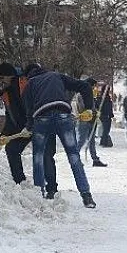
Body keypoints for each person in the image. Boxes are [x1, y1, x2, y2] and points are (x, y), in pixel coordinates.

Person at [22, 63, 96, 208]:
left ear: (28, 75)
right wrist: (89, 108)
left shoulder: (30, 84)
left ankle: (39, 195)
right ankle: (87, 196)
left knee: (39, 157)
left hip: (41, 118)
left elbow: (28, 109)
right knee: (74, 156)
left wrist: (29, 126)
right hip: (63, 116)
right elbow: (85, 86)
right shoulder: (56, 76)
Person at [0, 62, 59, 199]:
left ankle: (52, 188)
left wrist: (34, 123)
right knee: (11, 149)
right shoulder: (6, 92)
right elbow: (11, 115)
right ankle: (20, 182)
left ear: (9, 75)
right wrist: (5, 133)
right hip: (23, 128)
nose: (0, 82)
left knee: (46, 155)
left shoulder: (25, 83)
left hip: (41, 123)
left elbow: (37, 102)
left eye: (1, 78)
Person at [76, 77, 108, 167]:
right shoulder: (81, 94)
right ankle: (75, 158)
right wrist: (92, 112)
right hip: (84, 120)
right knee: (82, 140)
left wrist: (96, 112)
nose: (94, 88)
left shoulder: (90, 94)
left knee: (92, 141)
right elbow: (83, 108)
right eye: (93, 86)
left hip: (91, 120)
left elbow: (92, 106)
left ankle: (95, 159)